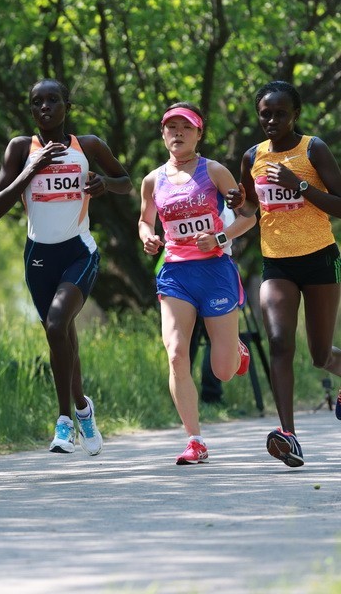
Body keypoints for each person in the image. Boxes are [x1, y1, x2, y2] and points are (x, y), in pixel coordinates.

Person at [0, 78, 132, 455]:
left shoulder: (88, 145)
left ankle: (65, 421)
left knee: (57, 322)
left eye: (53, 100)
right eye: (37, 102)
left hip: (78, 251)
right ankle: (84, 407)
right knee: (61, 334)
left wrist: (105, 184)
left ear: (68, 105)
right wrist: (31, 169)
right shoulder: (21, 148)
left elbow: (125, 181)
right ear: (31, 109)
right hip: (38, 256)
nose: (45, 108)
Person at [228, 81, 341, 467]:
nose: (271, 120)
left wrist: (301, 184)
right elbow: (252, 209)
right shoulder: (251, 157)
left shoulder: (313, 149)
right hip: (277, 262)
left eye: (280, 113)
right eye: (265, 113)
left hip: (320, 258)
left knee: (321, 354)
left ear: (295, 115)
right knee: (278, 342)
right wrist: (241, 203)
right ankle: (289, 435)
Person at [139, 102, 256, 465]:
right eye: (170, 127)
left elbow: (249, 216)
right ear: (162, 135)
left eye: (185, 128)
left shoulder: (215, 171)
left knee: (222, 370)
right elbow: (144, 221)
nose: (177, 133)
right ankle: (195, 439)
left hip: (216, 272)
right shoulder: (152, 180)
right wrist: (148, 237)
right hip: (175, 273)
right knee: (176, 353)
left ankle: (236, 349)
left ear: (198, 133)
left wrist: (220, 238)